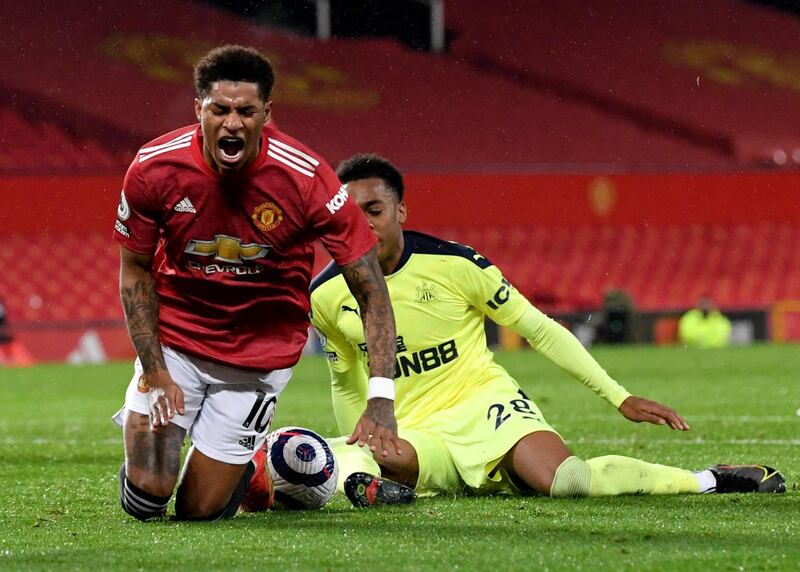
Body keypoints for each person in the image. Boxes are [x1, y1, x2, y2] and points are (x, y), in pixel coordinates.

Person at [307, 154, 784, 507]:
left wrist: (618, 397)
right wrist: (362, 440)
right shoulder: (326, 296)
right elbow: (344, 378)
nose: (365, 225)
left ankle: (708, 479)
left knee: (567, 482)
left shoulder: (454, 265)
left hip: (484, 405)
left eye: (376, 210)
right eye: (352, 214)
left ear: (401, 212)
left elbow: (540, 329)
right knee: (356, 469)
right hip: (416, 429)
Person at [111, 46, 400, 522]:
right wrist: (156, 370)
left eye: (246, 111)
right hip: (179, 344)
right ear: (198, 110)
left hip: (257, 362)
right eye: (219, 110)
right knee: (147, 496)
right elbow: (135, 269)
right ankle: (170, 451)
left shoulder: (308, 179)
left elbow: (371, 290)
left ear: (267, 113)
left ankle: (254, 466)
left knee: (199, 513)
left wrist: (381, 397)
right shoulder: (153, 167)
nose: (232, 123)